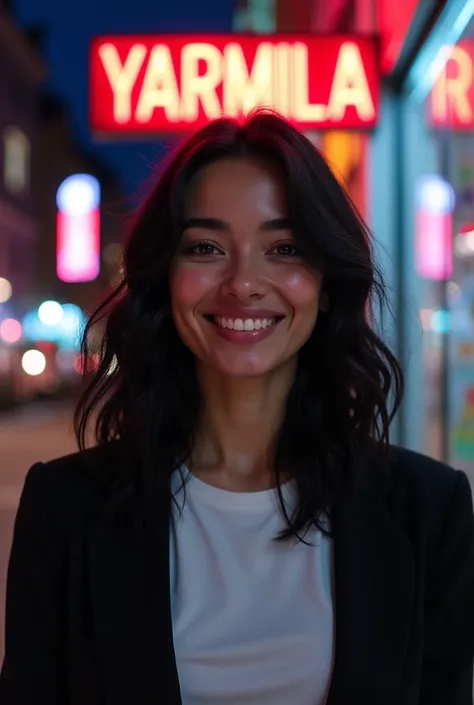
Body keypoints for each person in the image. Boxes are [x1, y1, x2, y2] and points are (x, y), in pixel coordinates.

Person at [1, 110, 474, 705]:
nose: (244, 282)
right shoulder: (65, 508)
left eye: (283, 247)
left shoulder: (427, 510)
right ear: (163, 277)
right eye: (205, 247)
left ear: (326, 283)